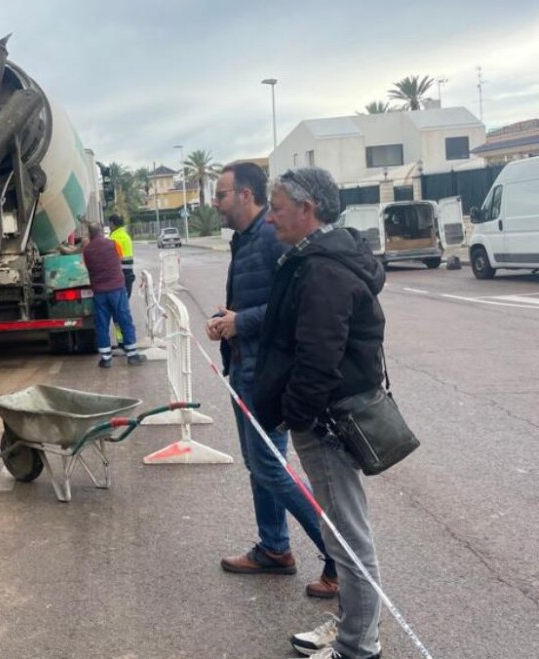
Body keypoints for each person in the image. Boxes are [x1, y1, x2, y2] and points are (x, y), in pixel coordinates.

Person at [254, 167, 387, 659]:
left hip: (328, 421)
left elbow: (318, 358)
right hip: (330, 416)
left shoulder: (323, 270)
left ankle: (358, 646)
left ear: (307, 211)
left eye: (278, 207)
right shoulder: (323, 257)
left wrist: (295, 413)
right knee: (338, 528)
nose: (271, 218)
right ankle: (352, 628)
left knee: (348, 536)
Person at [207, 163, 339, 600]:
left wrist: (241, 321)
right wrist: (227, 321)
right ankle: (274, 547)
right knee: (258, 465)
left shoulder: (268, 239)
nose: (215, 202)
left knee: (268, 466)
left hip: (263, 374)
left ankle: (337, 558)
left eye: (221, 194)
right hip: (244, 366)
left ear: (245, 195)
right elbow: (254, 301)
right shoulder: (245, 240)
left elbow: (288, 308)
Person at [82, 222, 146, 368]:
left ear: (90, 234)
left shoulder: (87, 251)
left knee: (102, 324)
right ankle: (132, 355)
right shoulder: (113, 244)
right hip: (116, 289)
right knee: (124, 320)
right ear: (101, 231)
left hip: (99, 293)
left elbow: (88, 267)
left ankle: (106, 359)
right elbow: (119, 259)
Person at [107, 214, 136, 296]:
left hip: (118, 273)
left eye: (109, 224)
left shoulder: (113, 238)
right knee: (126, 298)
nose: (109, 226)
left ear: (112, 223)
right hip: (129, 273)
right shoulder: (126, 237)